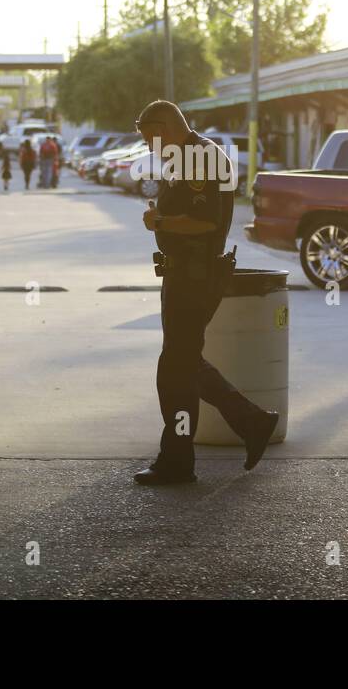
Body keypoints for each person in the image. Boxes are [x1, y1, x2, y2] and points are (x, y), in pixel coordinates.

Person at [133, 100, 279, 486]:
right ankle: (249, 423)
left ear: (166, 127)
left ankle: (181, 459)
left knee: (176, 370)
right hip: (184, 274)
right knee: (183, 366)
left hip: (194, 277)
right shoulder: (188, 156)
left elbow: (204, 221)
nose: (150, 148)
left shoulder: (198, 157)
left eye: (152, 138)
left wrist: (160, 220)